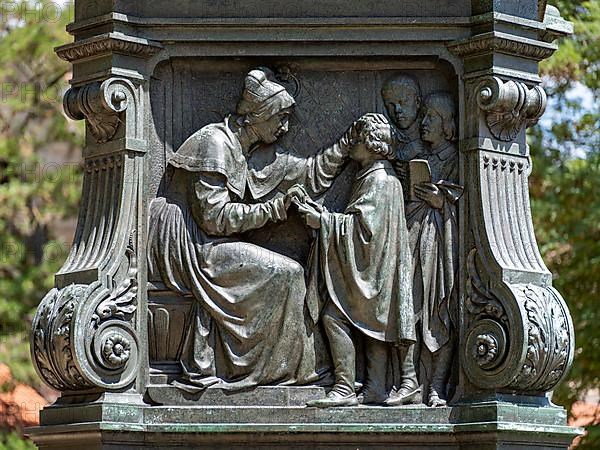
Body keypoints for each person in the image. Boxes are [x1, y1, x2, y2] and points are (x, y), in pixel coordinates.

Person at [147, 68, 354, 392]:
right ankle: (271, 373)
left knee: (289, 272)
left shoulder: (248, 151)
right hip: (191, 244)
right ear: (260, 115)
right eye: (281, 118)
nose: (285, 127)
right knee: (287, 273)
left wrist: (347, 141)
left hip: (211, 240)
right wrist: (274, 209)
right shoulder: (214, 143)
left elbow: (309, 174)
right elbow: (213, 218)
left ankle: (278, 369)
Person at [296, 113, 416, 408]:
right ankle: (375, 387)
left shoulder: (379, 181)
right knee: (372, 326)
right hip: (373, 269)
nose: (351, 145)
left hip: (374, 270)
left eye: (357, 140)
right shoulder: (375, 176)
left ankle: (345, 386)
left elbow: (365, 229)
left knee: (335, 317)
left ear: (373, 145)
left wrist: (322, 221)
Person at [405, 91, 463, 407]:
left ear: (446, 124)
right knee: (413, 311)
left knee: (440, 312)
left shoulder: (455, 159)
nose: (423, 123)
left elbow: (465, 206)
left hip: (442, 248)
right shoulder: (421, 159)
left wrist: (442, 202)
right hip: (417, 242)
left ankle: (438, 385)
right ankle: (412, 382)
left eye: (431, 118)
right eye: (424, 116)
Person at [381, 74, 425, 406]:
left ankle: (413, 379)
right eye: (391, 105)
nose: (397, 111)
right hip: (393, 230)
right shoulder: (393, 141)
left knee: (412, 302)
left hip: (422, 231)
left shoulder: (428, 144)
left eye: (403, 103)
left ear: (418, 102)